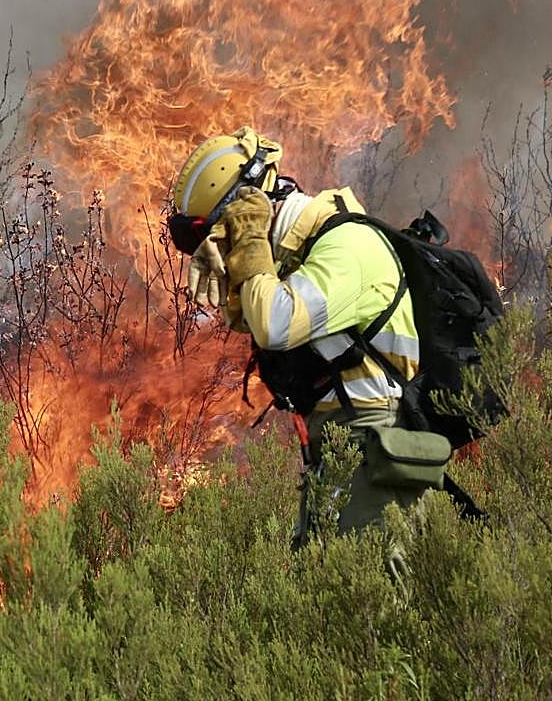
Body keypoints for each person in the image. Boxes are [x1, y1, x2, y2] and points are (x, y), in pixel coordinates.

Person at [168, 127, 445, 547]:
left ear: (250, 210)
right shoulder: (305, 254)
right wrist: (242, 264)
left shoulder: (348, 245)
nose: (222, 247)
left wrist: (250, 239)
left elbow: (276, 324)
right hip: (338, 444)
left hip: (372, 438)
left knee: (371, 595)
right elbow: (251, 318)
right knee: (322, 592)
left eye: (222, 231)